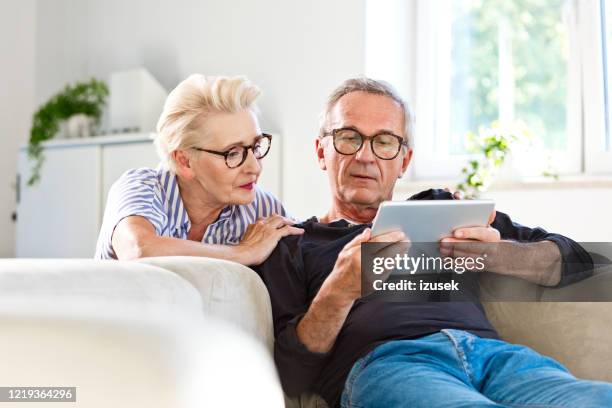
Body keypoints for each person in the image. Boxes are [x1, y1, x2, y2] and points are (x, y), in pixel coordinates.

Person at [254, 77, 612, 407]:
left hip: (495, 359)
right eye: (348, 137)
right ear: (321, 151)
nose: (365, 156)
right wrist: (340, 290)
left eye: (384, 142)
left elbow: (581, 260)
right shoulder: (293, 244)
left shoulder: (444, 207)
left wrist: (497, 254)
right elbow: (292, 373)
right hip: (391, 366)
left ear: (404, 160)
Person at [95, 74, 303, 263]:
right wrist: (244, 253)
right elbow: (139, 250)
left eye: (256, 146)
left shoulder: (262, 208)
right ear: (184, 161)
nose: (254, 167)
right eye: (233, 153)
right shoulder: (141, 188)